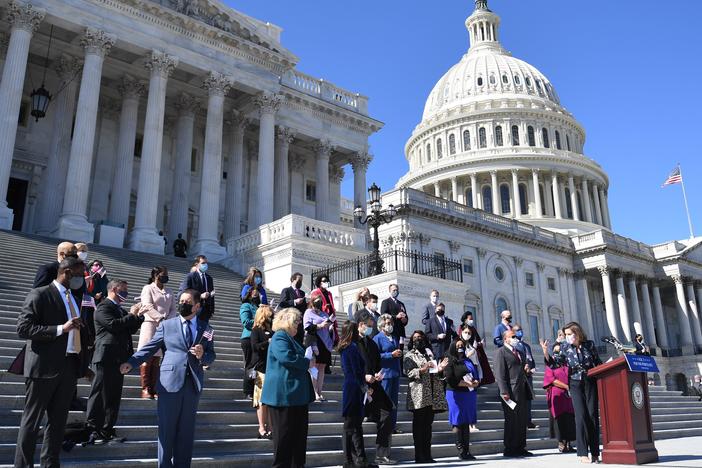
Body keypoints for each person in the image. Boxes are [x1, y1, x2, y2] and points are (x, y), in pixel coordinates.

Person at [120, 289, 216, 468]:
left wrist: (203, 355)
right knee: (166, 430)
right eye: (180, 301)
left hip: (192, 385)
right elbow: (149, 348)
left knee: (186, 432)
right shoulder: (167, 325)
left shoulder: (206, 328)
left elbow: (211, 355)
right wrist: (132, 362)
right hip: (169, 383)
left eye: (187, 302)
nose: (182, 304)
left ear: (196, 306)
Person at [15, 257, 90, 467]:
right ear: (66, 272)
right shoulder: (40, 294)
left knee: (57, 424)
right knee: (32, 421)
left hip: (68, 367)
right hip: (42, 367)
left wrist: (83, 364)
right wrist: (60, 329)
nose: (82, 280)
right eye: (79, 274)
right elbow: (23, 328)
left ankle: (50, 463)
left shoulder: (73, 298)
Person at [86, 279, 145, 443]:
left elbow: (129, 328)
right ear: (113, 289)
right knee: (99, 394)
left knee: (113, 396)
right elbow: (113, 325)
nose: (125, 293)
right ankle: (93, 428)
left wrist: (138, 316)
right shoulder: (104, 306)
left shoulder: (119, 309)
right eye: (123, 290)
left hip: (119, 359)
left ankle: (107, 429)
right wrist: (132, 315)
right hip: (104, 357)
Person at [260, 308, 314, 468]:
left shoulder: (291, 339)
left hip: (296, 398)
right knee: (284, 442)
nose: (298, 325)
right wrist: (306, 362)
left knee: (298, 442)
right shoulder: (279, 337)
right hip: (284, 398)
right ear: (287, 321)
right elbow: (287, 357)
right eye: (296, 321)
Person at [554, 321, 602, 464]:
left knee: (593, 416)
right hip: (574, 383)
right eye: (566, 334)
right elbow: (555, 364)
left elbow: (597, 362)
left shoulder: (590, 345)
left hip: (590, 382)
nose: (568, 337)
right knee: (580, 417)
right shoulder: (564, 347)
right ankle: (582, 453)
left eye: (570, 334)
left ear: (577, 333)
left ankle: (594, 452)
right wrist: (547, 352)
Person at [338, 321, 379, 468]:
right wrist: (364, 388)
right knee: (350, 426)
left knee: (356, 426)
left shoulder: (349, 347)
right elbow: (355, 372)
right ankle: (348, 461)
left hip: (355, 388)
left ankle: (360, 460)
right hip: (353, 389)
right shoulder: (351, 348)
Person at [356, 312, 395, 465]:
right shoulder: (353, 343)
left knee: (388, 411)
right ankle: (357, 457)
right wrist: (364, 378)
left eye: (372, 327)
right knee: (355, 422)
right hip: (359, 385)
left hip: (374, 384)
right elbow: (352, 366)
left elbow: (377, 363)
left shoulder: (371, 343)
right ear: (360, 324)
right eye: (368, 326)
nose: (370, 329)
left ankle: (381, 453)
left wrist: (378, 375)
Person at [404, 330, 448, 464]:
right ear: (412, 341)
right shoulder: (410, 355)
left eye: (420, 337)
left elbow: (434, 371)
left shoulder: (429, 353)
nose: (418, 339)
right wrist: (424, 368)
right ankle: (419, 455)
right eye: (415, 338)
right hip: (418, 395)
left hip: (432, 393)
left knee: (428, 425)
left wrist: (440, 368)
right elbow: (409, 373)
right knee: (419, 426)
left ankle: (427, 454)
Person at [138, 266, 177, 399]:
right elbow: (147, 306)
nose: (165, 276)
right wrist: (160, 318)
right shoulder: (148, 288)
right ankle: (145, 388)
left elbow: (173, 309)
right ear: (156, 275)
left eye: (166, 274)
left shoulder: (169, 291)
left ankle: (154, 388)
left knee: (157, 359)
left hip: (164, 326)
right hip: (151, 324)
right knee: (148, 357)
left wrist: (168, 320)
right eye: (163, 274)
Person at [494, 328, 533, 458]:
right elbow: (499, 374)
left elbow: (519, 369)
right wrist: (504, 391)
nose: (515, 339)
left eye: (515, 336)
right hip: (509, 391)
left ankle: (521, 447)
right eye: (512, 337)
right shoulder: (501, 352)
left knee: (522, 420)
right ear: (505, 339)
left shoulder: (519, 352)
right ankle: (510, 448)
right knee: (511, 420)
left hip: (521, 389)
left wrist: (526, 369)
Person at [539, 336, 576, 453]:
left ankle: (569, 443)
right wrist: (545, 350)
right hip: (557, 396)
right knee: (559, 419)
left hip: (568, 397)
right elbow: (552, 380)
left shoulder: (567, 364)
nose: (557, 352)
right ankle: (561, 443)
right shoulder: (552, 365)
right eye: (555, 350)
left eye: (559, 350)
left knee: (569, 419)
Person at [444, 340, 480, 460]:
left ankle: (467, 450)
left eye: (462, 346)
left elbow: (475, 375)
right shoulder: (449, 360)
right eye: (458, 346)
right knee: (458, 421)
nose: (460, 348)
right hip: (455, 394)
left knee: (466, 422)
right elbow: (449, 378)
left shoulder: (468, 360)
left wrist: (475, 382)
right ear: (453, 347)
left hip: (468, 395)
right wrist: (465, 384)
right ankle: (461, 450)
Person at [374, 314, 402, 433]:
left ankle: (392, 425)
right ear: (381, 325)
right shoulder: (377, 338)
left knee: (394, 402)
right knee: (385, 401)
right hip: (385, 374)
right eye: (387, 323)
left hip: (395, 373)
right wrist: (391, 355)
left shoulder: (394, 337)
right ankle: (383, 425)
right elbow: (375, 356)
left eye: (391, 323)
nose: (390, 325)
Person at [304, 290, 334, 401]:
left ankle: (319, 392)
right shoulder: (308, 312)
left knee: (322, 367)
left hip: (325, 342)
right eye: (317, 300)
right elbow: (307, 327)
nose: (319, 303)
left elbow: (328, 326)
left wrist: (329, 327)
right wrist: (320, 325)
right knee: (314, 367)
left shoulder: (324, 313)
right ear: (312, 301)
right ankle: (314, 392)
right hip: (314, 341)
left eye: (320, 301)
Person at [250, 304, 274, 438]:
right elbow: (255, 347)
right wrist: (267, 342)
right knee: (261, 400)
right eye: (269, 314)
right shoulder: (256, 330)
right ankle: (261, 427)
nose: (272, 316)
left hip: (271, 368)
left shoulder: (272, 330)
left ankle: (270, 427)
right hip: (260, 369)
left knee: (270, 400)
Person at [459, 312, 495, 389]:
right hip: (468, 351)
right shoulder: (462, 327)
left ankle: (478, 382)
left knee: (478, 368)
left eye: (472, 319)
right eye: (470, 319)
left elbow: (476, 338)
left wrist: (479, 343)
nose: (472, 320)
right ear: (465, 319)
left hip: (475, 351)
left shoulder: (473, 328)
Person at [513, 323, 538, 429]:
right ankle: (520, 420)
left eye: (521, 330)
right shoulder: (514, 345)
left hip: (529, 376)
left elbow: (531, 359)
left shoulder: (526, 345)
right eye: (518, 330)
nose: (520, 332)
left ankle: (528, 420)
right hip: (520, 377)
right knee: (520, 401)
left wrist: (532, 368)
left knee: (528, 400)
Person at [178, 255, 215, 322]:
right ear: (197, 264)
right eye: (203, 263)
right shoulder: (190, 276)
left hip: (206, 312)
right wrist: (200, 296)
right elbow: (184, 292)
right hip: (193, 310)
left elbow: (212, 295)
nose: (205, 265)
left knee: (203, 331)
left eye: (206, 263)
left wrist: (211, 310)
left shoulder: (209, 278)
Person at [240, 287, 260, 400]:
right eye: (254, 295)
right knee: (249, 365)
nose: (257, 297)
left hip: (259, 339)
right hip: (248, 338)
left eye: (258, 295)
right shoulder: (246, 306)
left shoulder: (259, 307)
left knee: (257, 365)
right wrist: (260, 320)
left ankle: (255, 388)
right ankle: (248, 390)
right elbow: (246, 322)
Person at [279, 272, 306, 344]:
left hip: (299, 324)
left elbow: (303, 308)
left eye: (301, 281)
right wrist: (294, 301)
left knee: (299, 343)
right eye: (299, 280)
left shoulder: (302, 293)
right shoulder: (286, 290)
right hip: (290, 322)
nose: (300, 282)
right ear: (292, 280)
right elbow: (282, 303)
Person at [311, 274, 338, 346]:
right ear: (319, 283)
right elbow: (314, 305)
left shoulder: (329, 293)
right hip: (321, 316)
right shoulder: (315, 293)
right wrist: (324, 307)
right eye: (324, 281)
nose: (326, 282)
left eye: (327, 281)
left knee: (331, 336)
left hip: (330, 316)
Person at [379, 284, 408, 353]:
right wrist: (396, 317)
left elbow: (406, 316)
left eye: (397, 290)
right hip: (391, 331)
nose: (395, 291)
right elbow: (383, 315)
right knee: (393, 351)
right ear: (390, 291)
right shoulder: (386, 302)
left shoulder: (401, 304)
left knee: (400, 352)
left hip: (400, 332)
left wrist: (405, 320)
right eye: (394, 290)